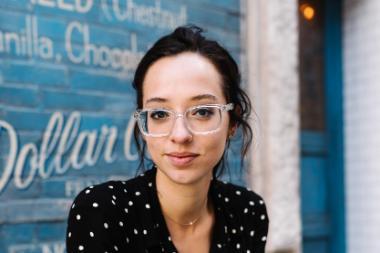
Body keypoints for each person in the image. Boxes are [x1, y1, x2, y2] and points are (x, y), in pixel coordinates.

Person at [66, 25, 269, 253]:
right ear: (144, 125)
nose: (180, 135)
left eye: (202, 112)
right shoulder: (103, 211)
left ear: (232, 122)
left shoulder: (247, 211)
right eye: (159, 114)